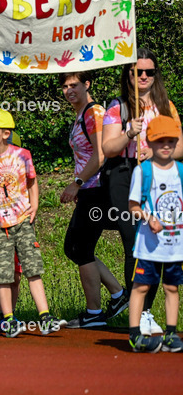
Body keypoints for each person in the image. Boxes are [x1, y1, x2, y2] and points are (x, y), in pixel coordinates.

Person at [101, 49, 180, 335]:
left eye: (149, 72)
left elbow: (180, 147)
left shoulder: (166, 107)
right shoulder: (117, 107)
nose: (144, 76)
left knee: (153, 242)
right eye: (138, 71)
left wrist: (155, 152)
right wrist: (129, 134)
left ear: (155, 75)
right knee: (133, 239)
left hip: (156, 176)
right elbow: (108, 148)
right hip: (123, 174)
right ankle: (140, 312)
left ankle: (146, 312)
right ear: (129, 75)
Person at [0, 110, 57, 336]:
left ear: (6, 133)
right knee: (3, 274)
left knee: (32, 268)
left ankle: (45, 316)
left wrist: (35, 205)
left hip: (22, 221)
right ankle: (7, 319)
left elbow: (31, 180)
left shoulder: (23, 155)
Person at [59, 71, 128, 326]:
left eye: (74, 85)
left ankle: (95, 312)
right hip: (89, 190)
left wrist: (76, 183)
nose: (69, 90)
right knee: (76, 248)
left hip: (97, 188)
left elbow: (100, 155)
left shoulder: (94, 113)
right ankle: (118, 295)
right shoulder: (81, 115)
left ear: (87, 84)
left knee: (79, 248)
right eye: (65, 86)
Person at [125, 115, 183, 352]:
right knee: (141, 286)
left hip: (174, 245)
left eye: (170, 141)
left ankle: (171, 334)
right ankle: (135, 334)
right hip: (149, 245)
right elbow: (133, 206)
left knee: (172, 287)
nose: (166, 146)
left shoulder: (180, 171)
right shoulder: (143, 171)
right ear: (149, 142)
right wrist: (149, 218)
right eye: (160, 141)